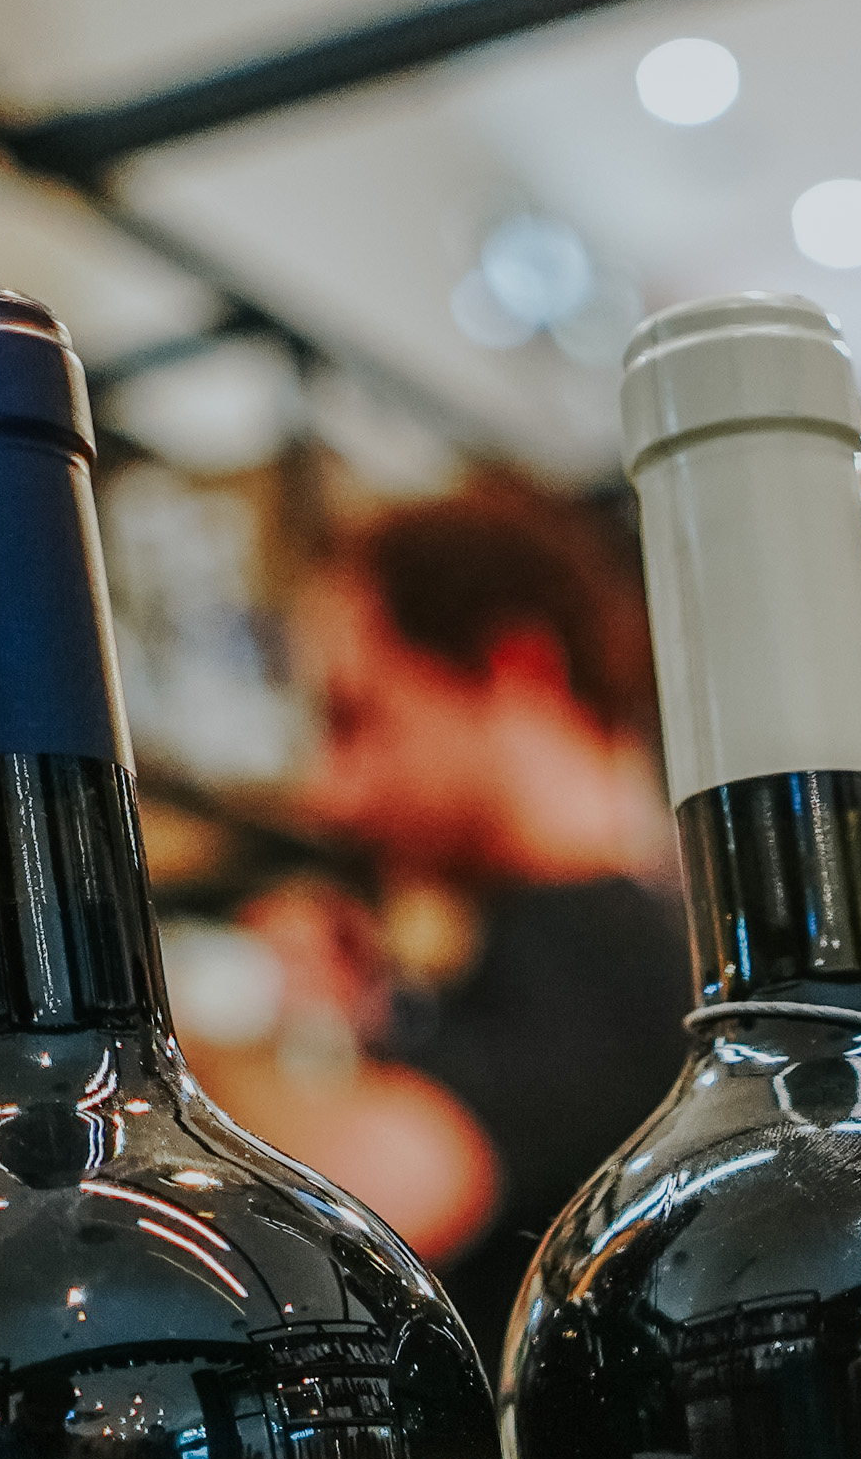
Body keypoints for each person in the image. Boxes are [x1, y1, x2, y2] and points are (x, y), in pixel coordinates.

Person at [281, 471, 694, 1372]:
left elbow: (313, 1247)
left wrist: (271, 1037)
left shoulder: (588, 949)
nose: (329, 791)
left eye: (359, 718)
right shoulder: (644, 934)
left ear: (514, 667)